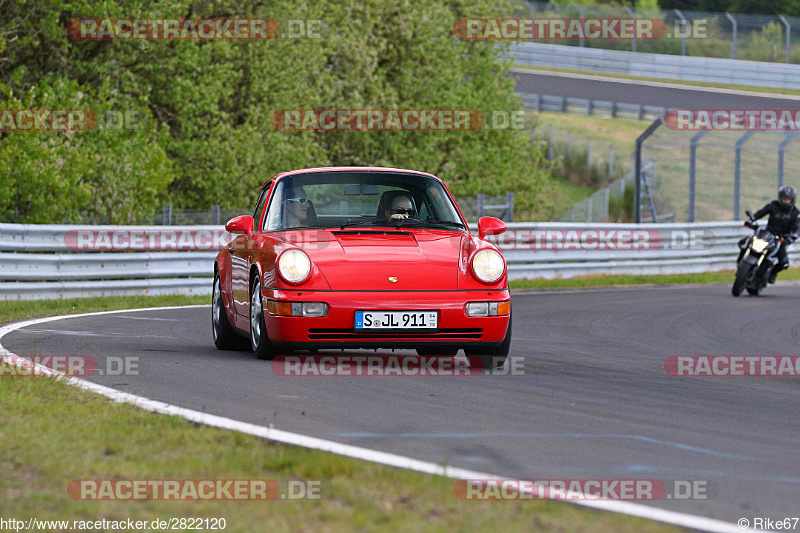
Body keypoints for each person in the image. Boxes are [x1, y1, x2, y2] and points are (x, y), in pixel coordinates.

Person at [747, 185, 800, 283]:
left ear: (792, 200)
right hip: (768, 234)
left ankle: (773, 272)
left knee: (784, 263)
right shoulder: (773, 205)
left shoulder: (795, 213)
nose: (785, 202)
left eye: (787, 200)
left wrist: (793, 237)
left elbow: (798, 227)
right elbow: (761, 212)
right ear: (780, 198)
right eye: (784, 199)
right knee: (747, 241)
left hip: (782, 239)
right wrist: (752, 219)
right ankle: (742, 261)